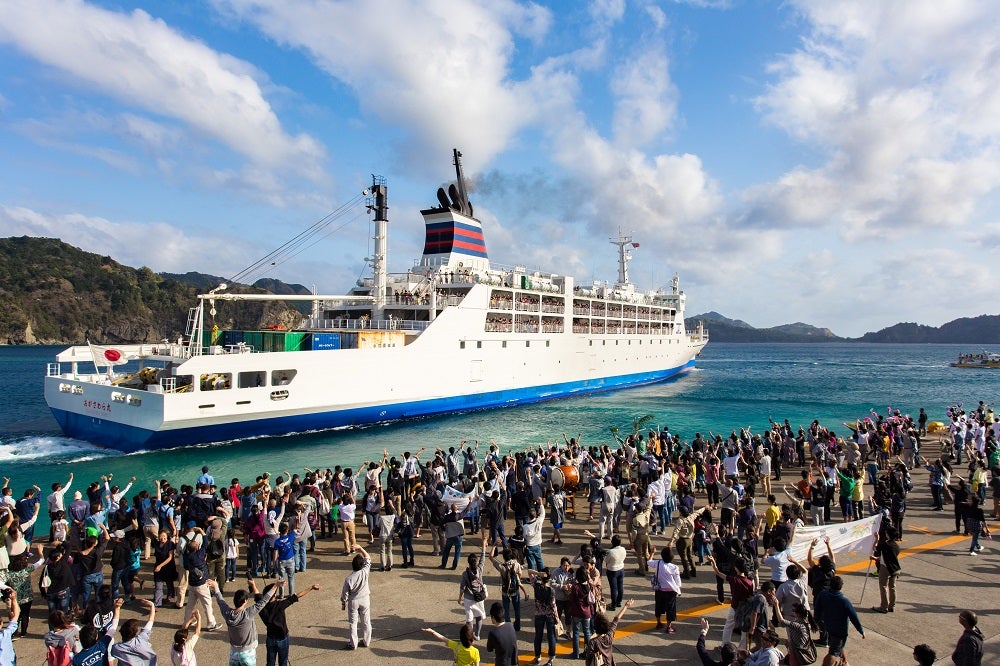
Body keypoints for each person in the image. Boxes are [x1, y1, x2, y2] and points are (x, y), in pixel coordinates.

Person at [209, 577, 277, 666]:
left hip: (234, 652)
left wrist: (216, 588)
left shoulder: (227, 613)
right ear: (244, 601)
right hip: (248, 653)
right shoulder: (248, 613)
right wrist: (276, 586)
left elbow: (221, 601)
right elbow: (264, 601)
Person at [259, 582, 321, 666]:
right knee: (283, 662)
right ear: (273, 596)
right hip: (282, 637)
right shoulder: (279, 605)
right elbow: (297, 596)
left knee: (270, 662)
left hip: (270, 638)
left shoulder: (261, 607)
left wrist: (252, 585)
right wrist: (311, 588)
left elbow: (256, 594)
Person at [814, 576, 864, 666]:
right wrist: (860, 630)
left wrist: (816, 621)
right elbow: (854, 617)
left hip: (828, 626)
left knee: (836, 645)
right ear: (841, 586)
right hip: (840, 631)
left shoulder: (823, 594)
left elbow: (817, 609)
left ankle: (844, 661)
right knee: (833, 652)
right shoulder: (844, 601)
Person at [72, 597, 123, 666]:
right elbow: (113, 627)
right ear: (96, 638)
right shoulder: (102, 644)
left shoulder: (77, 659)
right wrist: (117, 608)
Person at [340, 545, 372, 650]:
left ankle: (353, 644)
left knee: (353, 623)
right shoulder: (365, 571)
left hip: (353, 600)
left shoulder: (349, 578)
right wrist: (360, 548)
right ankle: (367, 641)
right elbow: (368, 557)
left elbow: (345, 593)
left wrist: (344, 602)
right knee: (366, 621)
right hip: (365, 598)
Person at [585, 598, 634, 666]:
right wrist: (626, 606)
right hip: (609, 663)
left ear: (595, 626)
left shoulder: (593, 642)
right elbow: (616, 619)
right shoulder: (609, 635)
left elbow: (588, 660)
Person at [110, 598, 158, 665]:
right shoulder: (141, 639)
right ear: (134, 633)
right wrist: (152, 605)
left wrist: (117, 608)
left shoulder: (116, 648)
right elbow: (150, 621)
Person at [648, 546, 682, 634]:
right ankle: (669, 627)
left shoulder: (658, 563)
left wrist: (652, 553)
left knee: (658, 607)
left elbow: (649, 562)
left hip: (659, 590)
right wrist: (678, 588)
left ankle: (658, 623)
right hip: (670, 592)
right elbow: (678, 582)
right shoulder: (674, 567)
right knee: (670, 609)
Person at [459, 547, 489, 642]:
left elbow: (462, 588)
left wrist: (459, 598)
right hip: (479, 597)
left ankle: (470, 635)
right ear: (476, 562)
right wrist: (484, 547)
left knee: (469, 619)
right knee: (479, 616)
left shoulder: (465, 574)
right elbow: (483, 559)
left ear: (468, 562)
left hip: (468, 598)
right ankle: (478, 634)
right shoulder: (480, 569)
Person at [871, 526, 901, 613]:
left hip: (886, 568)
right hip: (896, 568)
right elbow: (888, 557)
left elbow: (875, 549)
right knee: (892, 587)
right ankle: (891, 605)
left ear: (888, 535)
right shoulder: (896, 546)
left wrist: (877, 539)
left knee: (883, 587)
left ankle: (883, 607)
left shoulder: (885, 544)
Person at [485, 602, 517, 666]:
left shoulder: (493, 633)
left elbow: (489, 649)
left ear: (493, 617)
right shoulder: (510, 626)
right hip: (513, 662)